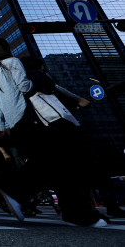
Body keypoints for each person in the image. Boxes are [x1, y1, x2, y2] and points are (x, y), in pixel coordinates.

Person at [0, 37, 106, 227]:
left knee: (50, 165)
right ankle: (16, 191)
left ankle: (69, 212)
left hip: (16, 126)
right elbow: (24, 86)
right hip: (29, 121)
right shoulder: (13, 62)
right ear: (4, 48)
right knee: (56, 164)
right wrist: (35, 85)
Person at [20, 56, 125, 219]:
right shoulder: (39, 79)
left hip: (52, 127)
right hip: (64, 125)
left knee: (71, 171)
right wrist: (78, 100)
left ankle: (84, 209)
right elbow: (57, 89)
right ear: (40, 66)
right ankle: (103, 207)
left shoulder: (26, 84)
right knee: (90, 167)